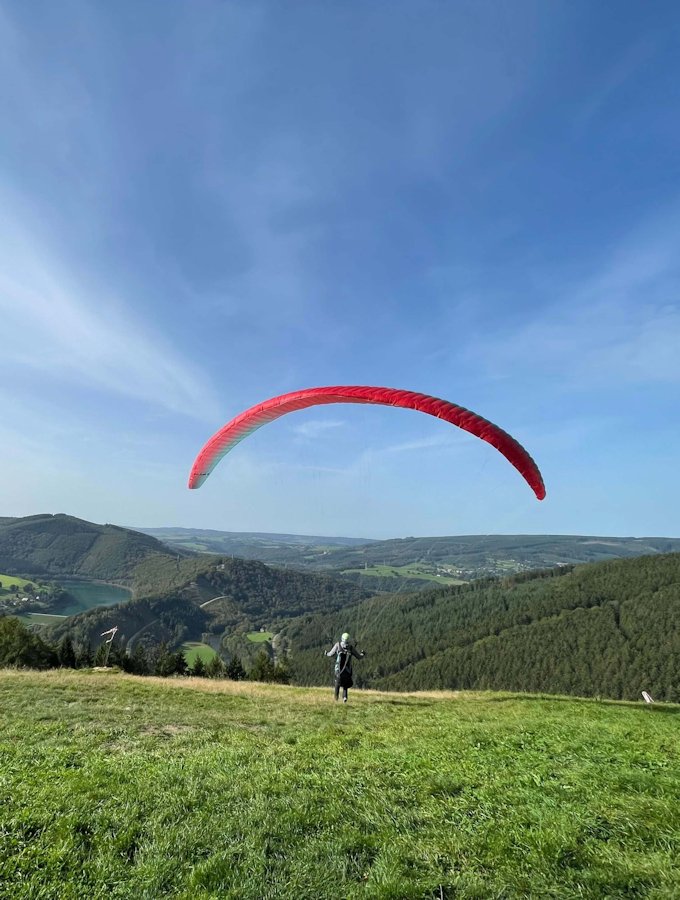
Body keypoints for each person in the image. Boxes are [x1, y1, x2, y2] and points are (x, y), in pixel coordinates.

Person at [325, 632, 365, 702]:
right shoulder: (351, 648)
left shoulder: (338, 645)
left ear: (342, 639)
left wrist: (326, 653)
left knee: (337, 682)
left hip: (338, 670)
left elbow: (331, 654)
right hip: (348, 670)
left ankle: (336, 698)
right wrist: (363, 654)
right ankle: (345, 697)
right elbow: (359, 657)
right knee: (345, 683)